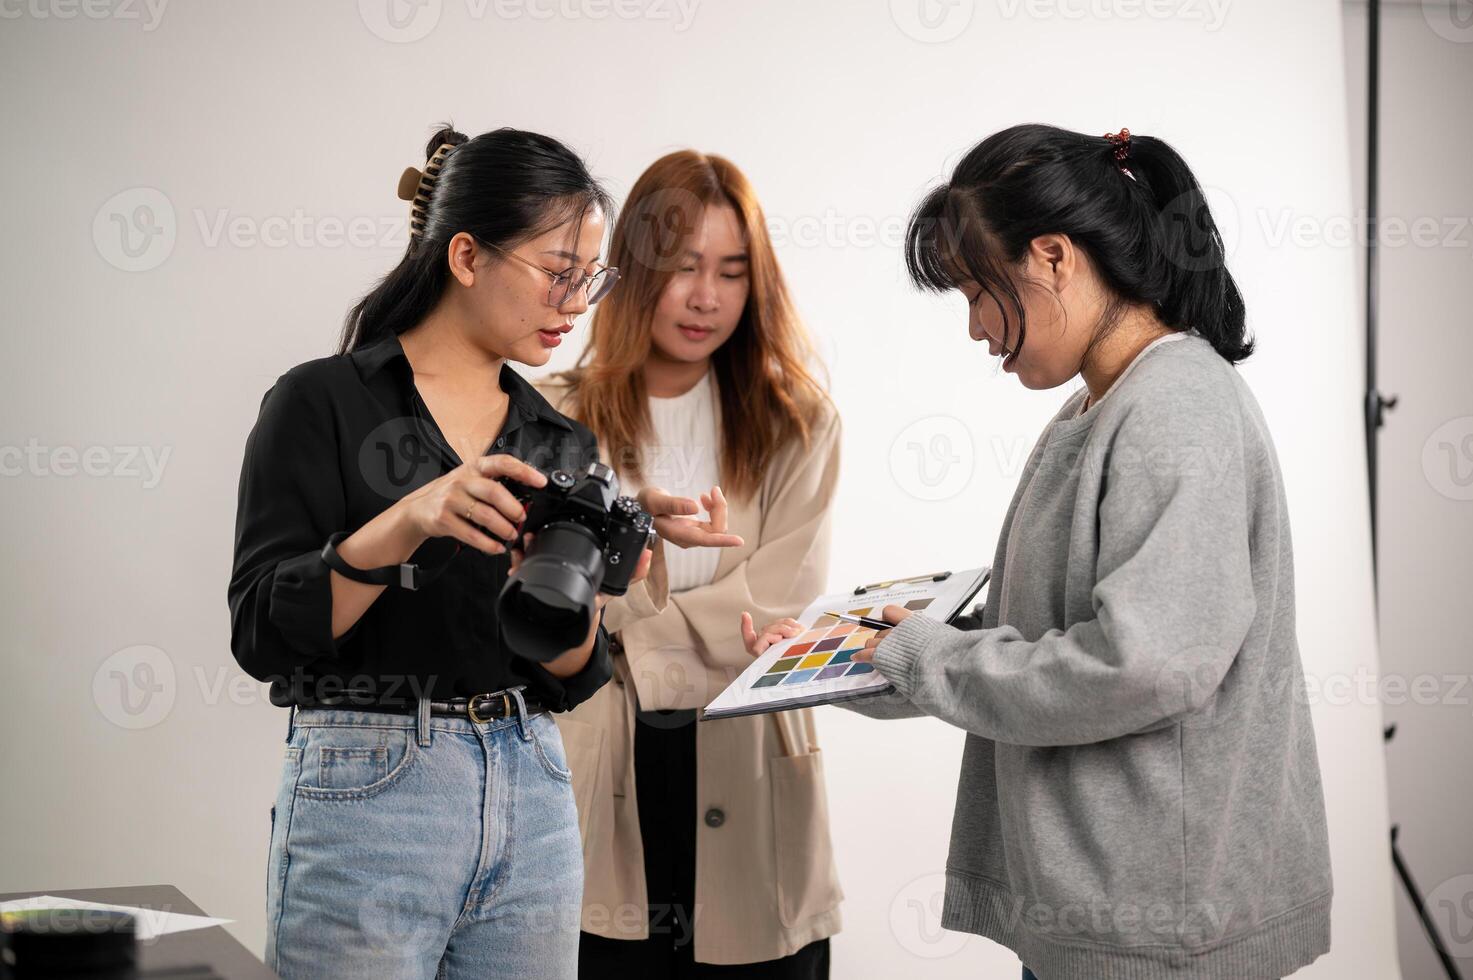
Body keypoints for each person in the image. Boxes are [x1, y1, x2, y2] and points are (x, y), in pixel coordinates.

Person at [748, 125, 1332, 980]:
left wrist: (920, 656)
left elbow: (1144, 665)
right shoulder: (1105, 405)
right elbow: (1048, 633)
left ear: (1053, 257)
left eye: (978, 293)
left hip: (1156, 929)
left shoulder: (1174, 408)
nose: (979, 329)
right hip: (1110, 912)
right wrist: (859, 660)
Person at [228, 124, 719, 979]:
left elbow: (566, 674)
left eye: (590, 279)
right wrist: (410, 518)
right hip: (369, 789)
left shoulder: (558, 439)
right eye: (558, 272)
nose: (575, 303)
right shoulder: (322, 402)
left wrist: (598, 593)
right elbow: (264, 633)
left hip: (531, 782)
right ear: (465, 256)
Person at [535, 150, 844, 977]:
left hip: (746, 757)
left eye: (732, 272)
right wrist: (688, 619)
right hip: (602, 759)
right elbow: (542, 613)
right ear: (634, 271)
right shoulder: (555, 416)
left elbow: (774, 604)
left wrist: (623, 617)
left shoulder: (798, 422)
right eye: (681, 268)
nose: (707, 297)